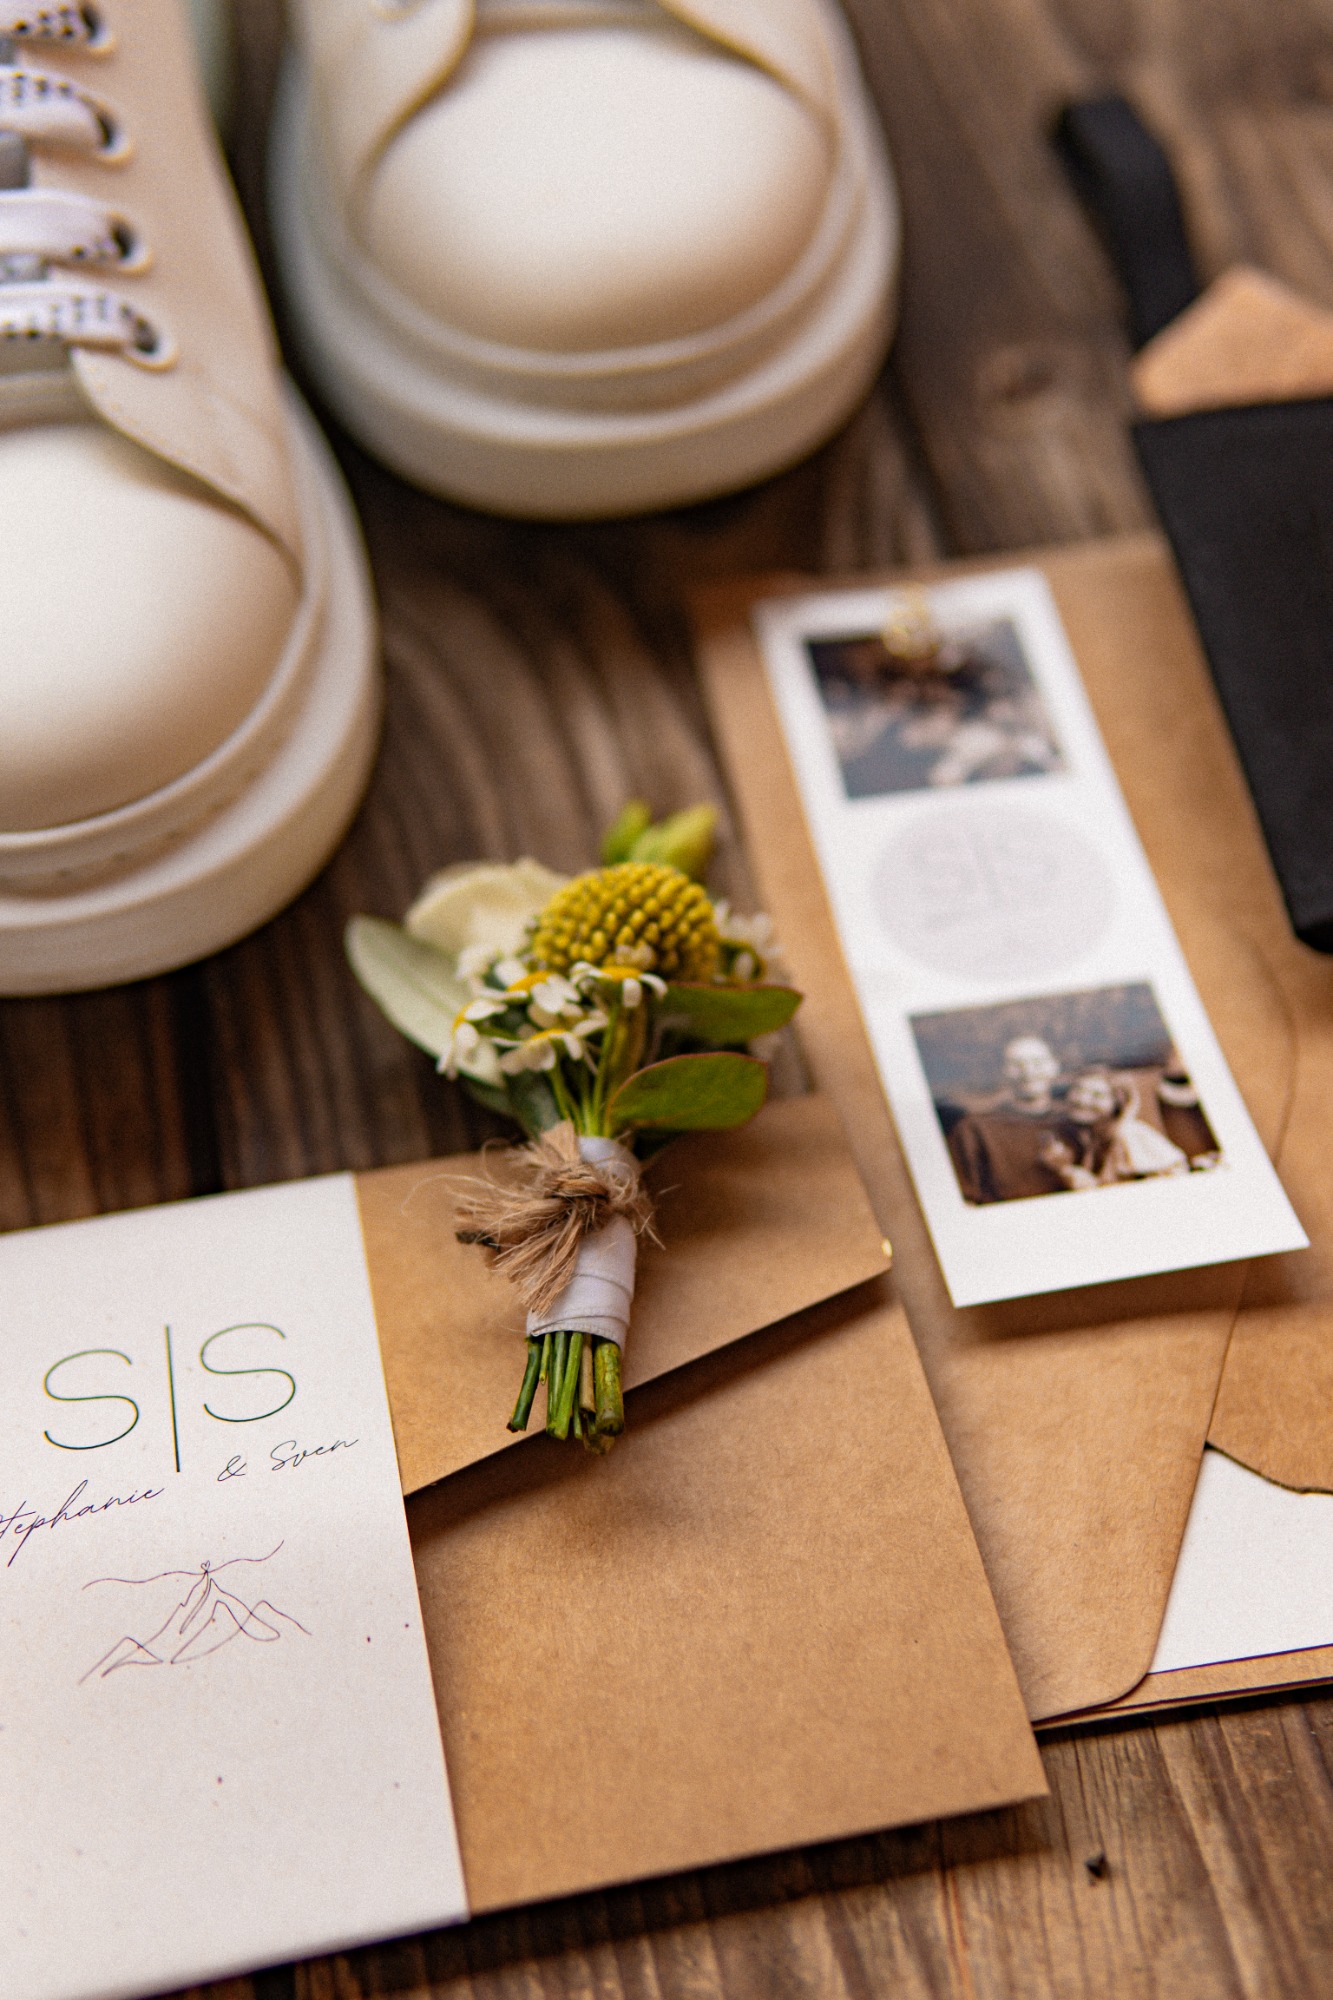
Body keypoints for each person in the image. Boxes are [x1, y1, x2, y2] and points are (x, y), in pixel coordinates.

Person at [945, 1035, 1072, 1204]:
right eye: (1017, 1065)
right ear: (1003, 1071)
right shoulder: (975, 1128)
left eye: (1038, 1063)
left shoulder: (1074, 1121)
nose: (1028, 1072)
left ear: (1054, 1066)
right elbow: (965, 1201)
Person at [1039, 1069, 1190, 1190]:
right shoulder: (1086, 1135)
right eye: (1079, 1090)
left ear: (1117, 1104)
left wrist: (1090, 1186)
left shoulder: (1130, 1134)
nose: (1082, 1100)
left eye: (1097, 1096)